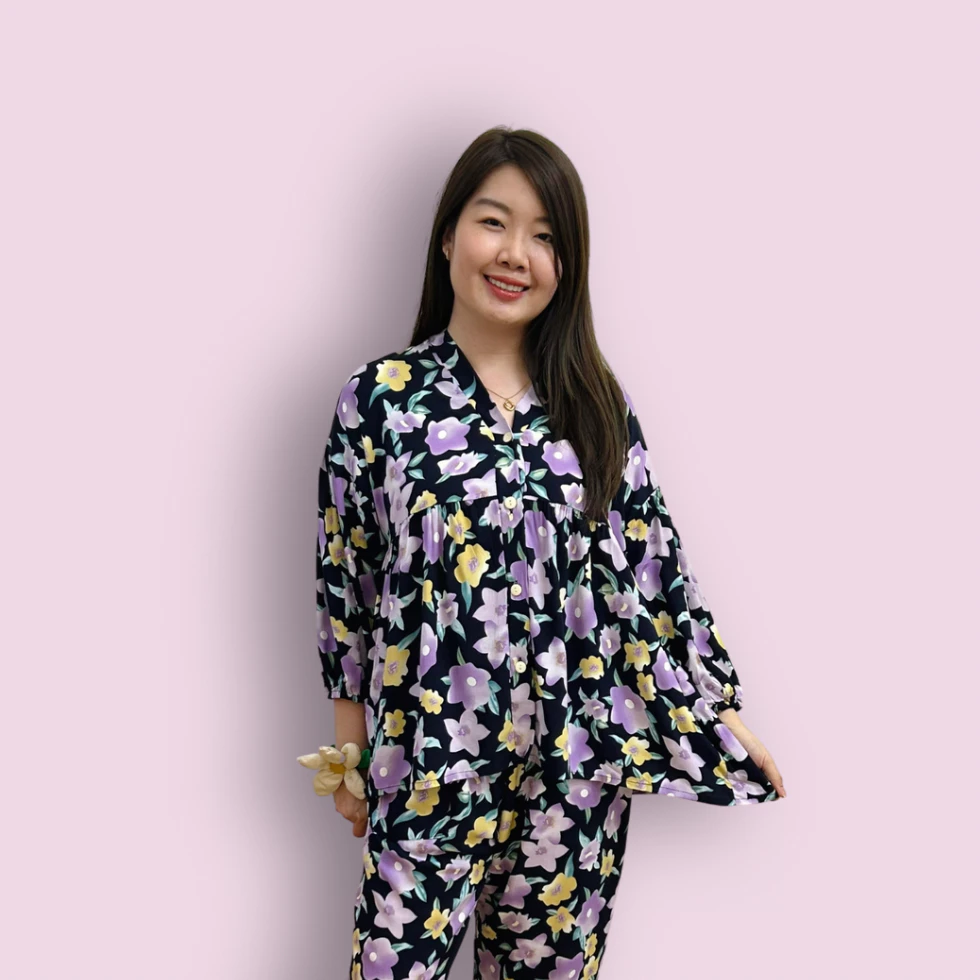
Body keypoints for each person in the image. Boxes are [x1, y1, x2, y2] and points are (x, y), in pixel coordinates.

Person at [313, 126, 786, 980]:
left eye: (544, 236)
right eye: (494, 222)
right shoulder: (381, 401)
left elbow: (656, 571)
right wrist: (351, 757)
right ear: (448, 235)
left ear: (568, 264)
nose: (515, 254)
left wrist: (723, 709)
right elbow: (349, 580)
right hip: (428, 766)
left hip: (573, 781)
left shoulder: (596, 405)